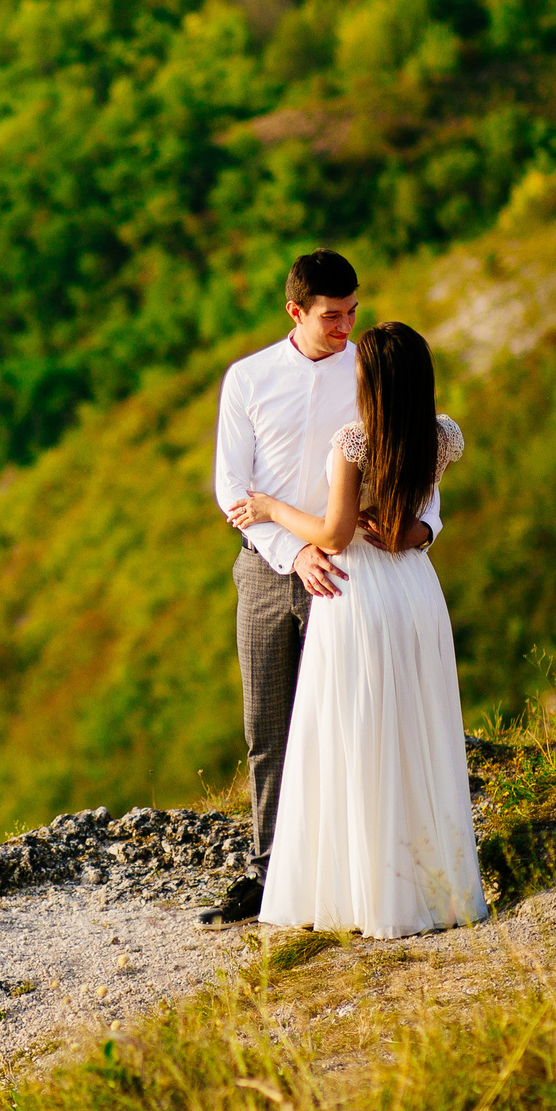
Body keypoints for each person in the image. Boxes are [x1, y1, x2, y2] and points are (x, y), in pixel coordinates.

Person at [200, 252, 438, 928]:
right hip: (267, 568)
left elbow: (410, 450)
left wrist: (422, 530)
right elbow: (231, 487)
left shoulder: (366, 370)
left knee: (344, 721)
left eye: (353, 311)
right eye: (333, 315)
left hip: (350, 572)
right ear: (295, 312)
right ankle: (271, 871)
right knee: (267, 726)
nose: (346, 325)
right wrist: (295, 547)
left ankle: (343, 869)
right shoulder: (247, 378)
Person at [226, 321, 485, 939]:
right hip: (416, 590)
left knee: (350, 733)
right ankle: (429, 885)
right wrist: (414, 530)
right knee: (416, 729)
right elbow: (418, 514)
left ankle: (360, 888)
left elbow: (335, 536)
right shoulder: (443, 435)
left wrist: (267, 508)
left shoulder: (354, 441)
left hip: (356, 591)